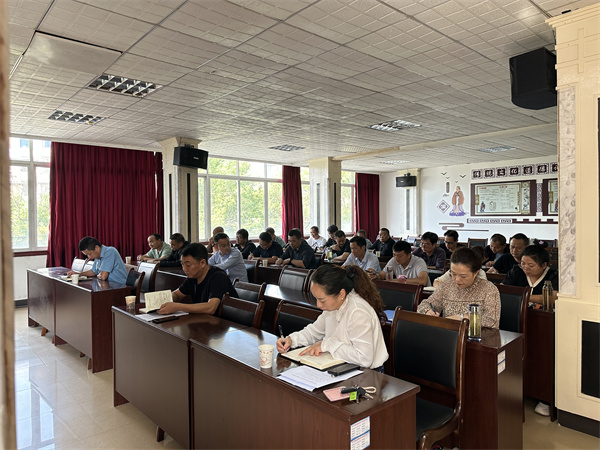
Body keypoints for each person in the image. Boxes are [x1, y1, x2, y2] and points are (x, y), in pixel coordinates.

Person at [276, 264, 388, 370]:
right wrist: (291, 340)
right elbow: (313, 332)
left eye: (322, 300)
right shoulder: (334, 306)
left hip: (366, 373)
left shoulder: (357, 311)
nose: (318, 305)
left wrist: (327, 344)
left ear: (341, 294)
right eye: (316, 298)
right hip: (340, 366)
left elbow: (364, 359)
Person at [417, 247, 501, 328]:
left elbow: (492, 322)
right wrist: (428, 311)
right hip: (449, 334)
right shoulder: (446, 286)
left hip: (478, 336)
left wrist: (463, 318)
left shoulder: (489, 289)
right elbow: (424, 304)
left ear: (476, 273)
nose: (457, 279)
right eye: (453, 274)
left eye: (463, 276)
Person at [158, 243, 238, 315]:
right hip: (205, 320)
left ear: (202, 263)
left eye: (188, 265)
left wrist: (177, 307)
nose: (184, 269)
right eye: (182, 264)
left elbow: (211, 308)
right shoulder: (193, 276)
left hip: (228, 323)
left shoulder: (218, 277)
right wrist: (163, 300)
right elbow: (177, 294)